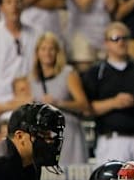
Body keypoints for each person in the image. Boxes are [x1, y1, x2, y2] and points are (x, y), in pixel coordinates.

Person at [81, 22, 134, 164]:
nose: (121, 42)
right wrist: (114, 103)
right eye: (115, 38)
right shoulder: (97, 71)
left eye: (125, 38)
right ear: (106, 43)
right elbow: (87, 109)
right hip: (113, 140)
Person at [29, 32, 89, 166]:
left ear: (57, 52)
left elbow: (84, 105)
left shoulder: (68, 73)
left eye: (51, 49)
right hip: (45, 137)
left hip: (69, 133)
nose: (47, 53)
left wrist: (58, 103)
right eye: (43, 49)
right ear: (37, 53)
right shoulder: (33, 79)